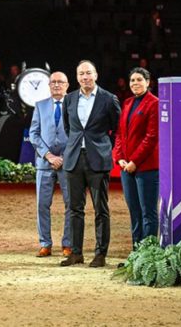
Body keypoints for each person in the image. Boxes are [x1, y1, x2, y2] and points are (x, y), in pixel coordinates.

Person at [60, 60, 120, 268]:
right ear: (76, 77)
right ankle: (76, 253)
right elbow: (69, 128)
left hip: (98, 160)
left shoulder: (108, 99)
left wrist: (103, 146)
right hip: (74, 158)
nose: (85, 77)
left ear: (96, 75)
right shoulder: (69, 99)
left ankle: (100, 254)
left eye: (88, 73)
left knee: (100, 209)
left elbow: (117, 129)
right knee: (74, 209)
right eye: (81, 74)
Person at [113, 67, 159, 248]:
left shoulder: (154, 103)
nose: (135, 83)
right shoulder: (127, 103)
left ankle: (148, 254)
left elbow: (152, 137)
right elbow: (119, 134)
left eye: (139, 79)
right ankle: (136, 252)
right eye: (132, 80)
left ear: (148, 82)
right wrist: (120, 158)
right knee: (134, 212)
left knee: (148, 213)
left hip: (146, 168)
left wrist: (135, 161)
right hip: (126, 167)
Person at [29, 71, 72, 258]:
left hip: (67, 163)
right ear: (48, 85)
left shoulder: (74, 105)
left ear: (67, 85)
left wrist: (62, 157)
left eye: (60, 82)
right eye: (53, 82)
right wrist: (48, 156)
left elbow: (77, 133)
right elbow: (34, 134)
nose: (56, 85)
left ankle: (68, 244)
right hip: (44, 163)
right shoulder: (40, 105)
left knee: (71, 204)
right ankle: (45, 244)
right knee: (42, 205)